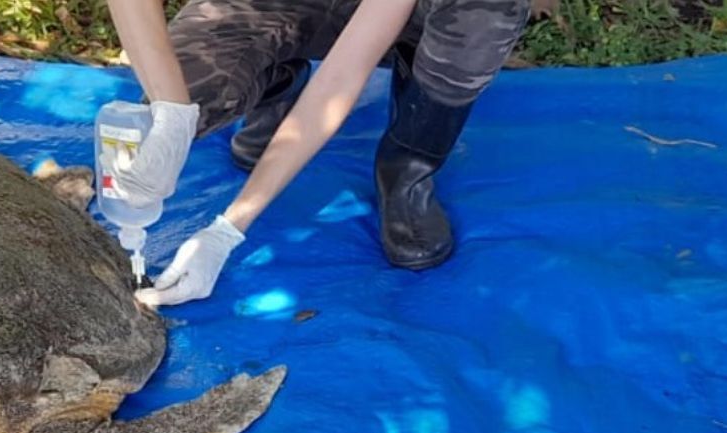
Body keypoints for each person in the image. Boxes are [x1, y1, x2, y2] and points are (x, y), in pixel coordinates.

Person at [105, 0, 530, 306]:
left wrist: (227, 230)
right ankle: (276, 84)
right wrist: (173, 110)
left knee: (486, 7)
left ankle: (407, 166)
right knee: (188, 93)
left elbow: (345, 71)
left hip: (405, 13)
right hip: (263, 7)